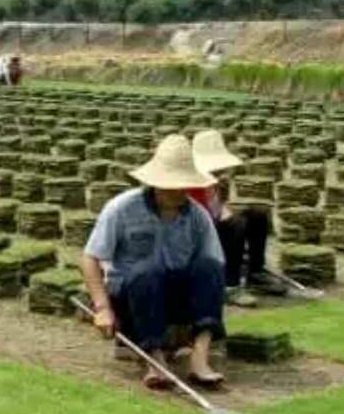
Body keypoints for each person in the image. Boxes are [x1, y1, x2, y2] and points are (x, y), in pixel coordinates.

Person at [81, 133, 226, 390]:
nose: (179, 191)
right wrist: (102, 308)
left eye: (184, 184)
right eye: (172, 184)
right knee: (147, 270)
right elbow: (90, 257)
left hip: (176, 297)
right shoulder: (121, 208)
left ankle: (199, 356)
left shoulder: (197, 216)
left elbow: (214, 266)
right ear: (155, 182)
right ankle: (155, 360)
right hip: (132, 297)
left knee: (210, 266)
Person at [190, 128, 286, 297]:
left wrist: (222, 198)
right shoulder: (192, 182)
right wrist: (228, 217)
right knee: (235, 225)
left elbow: (217, 210)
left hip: (211, 225)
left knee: (257, 215)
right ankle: (230, 285)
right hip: (195, 234)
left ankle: (255, 271)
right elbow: (200, 218)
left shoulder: (212, 180)